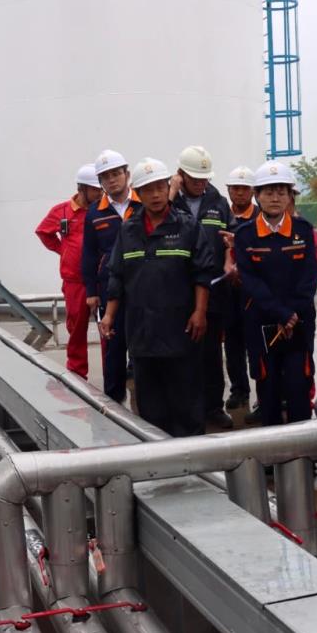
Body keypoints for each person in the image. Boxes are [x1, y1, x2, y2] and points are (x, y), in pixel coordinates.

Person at [101, 158, 216, 437]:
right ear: (138, 193)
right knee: (151, 405)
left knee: (186, 401)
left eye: (159, 188)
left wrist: (200, 312)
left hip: (181, 329)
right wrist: (109, 315)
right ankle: (159, 454)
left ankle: (193, 455)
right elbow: (117, 275)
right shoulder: (128, 230)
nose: (155, 195)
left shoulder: (188, 227)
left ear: (168, 188)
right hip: (142, 331)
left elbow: (202, 273)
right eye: (147, 190)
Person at [233, 161, 317, 427]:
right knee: (267, 386)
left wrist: (292, 314)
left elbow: (309, 277)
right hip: (261, 322)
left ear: (290, 196)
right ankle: (272, 447)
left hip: (298, 323)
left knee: (298, 384)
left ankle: (303, 446)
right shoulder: (245, 235)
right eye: (268, 192)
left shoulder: (303, 231)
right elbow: (250, 280)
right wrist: (280, 313)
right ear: (257, 195)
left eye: (281, 192)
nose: (275, 198)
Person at [169, 146, 235, 429]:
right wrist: (171, 193)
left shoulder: (218, 201)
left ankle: (213, 408)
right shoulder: (168, 201)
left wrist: (230, 256)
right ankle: (185, 409)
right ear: (180, 175)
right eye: (194, 178)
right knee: (181, 355)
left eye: (204, 178)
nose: (200, 183)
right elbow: (152, 224)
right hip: (178, 291)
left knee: (211, 355)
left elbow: (231, 235)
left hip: (213, 290)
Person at [81, 149, 141, 403]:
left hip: (142, 285)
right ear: (100, 182)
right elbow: (89, 254)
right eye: (105, 177)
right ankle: (112, 403)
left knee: (142, 343)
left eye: (116, 173)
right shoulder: (95, 213)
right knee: (113, 347)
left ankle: (147, 403)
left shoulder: (143, 204)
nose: (112, 180)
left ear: (127, 174)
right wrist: (91, 292)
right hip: (109, 288)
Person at [35, 164, 103, 378]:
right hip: (75, 281)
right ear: (82, 188)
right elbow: (43, 232)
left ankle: (113, 372)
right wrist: (63, 250)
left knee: (107, 328)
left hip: (102, 279)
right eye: (96, 189)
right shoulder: (62, 211)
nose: (100, 193)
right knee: (76, 328)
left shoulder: (104, 210)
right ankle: (77, 372)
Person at [222, 166, 258, 414]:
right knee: (233, 343)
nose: (240, 193)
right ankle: (239, 390)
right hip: (228, 290)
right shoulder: (223, 215)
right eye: (235, 188)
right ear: (229, 190)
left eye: (245, 188)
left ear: (253, 191)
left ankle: (264, 393)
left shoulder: (261, 216)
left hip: (254, 291)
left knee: (256, 343)